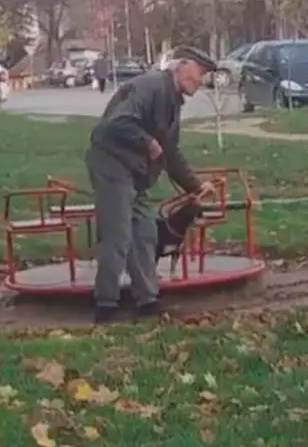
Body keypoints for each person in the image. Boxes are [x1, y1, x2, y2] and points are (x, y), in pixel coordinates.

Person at [85, 45, 217, 324]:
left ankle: (147, 300)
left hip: (136, 172)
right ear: (181, 66)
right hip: (112, 164)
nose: (201, 79)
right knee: (118, 235)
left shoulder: (173, 101)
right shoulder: (149, 87)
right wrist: (147, 142)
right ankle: (105, 304)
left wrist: (195, 185)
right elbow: (117, 123)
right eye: (200, 71)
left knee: (145, 233)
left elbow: (169, 152)